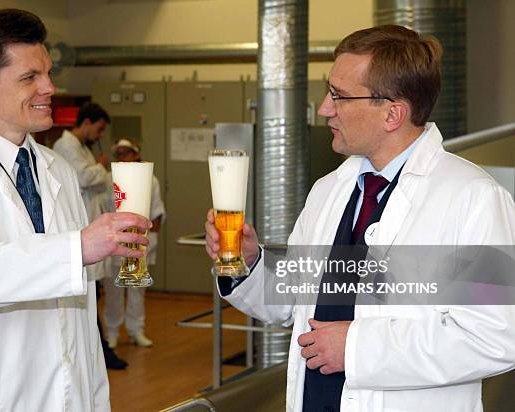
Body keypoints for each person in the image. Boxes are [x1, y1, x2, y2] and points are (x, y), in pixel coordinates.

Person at [205, 25, 515, 411]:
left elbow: (495, 337)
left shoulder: (473, 199)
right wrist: (250, 264)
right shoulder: (329, 191)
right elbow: (294, 302)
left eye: (339, 96)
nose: (324, 109)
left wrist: (356, 349)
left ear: (392, 113)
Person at [0, 9, 151, 411]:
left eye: (48, 73)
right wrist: (75, 250)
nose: (50, 87)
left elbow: (82, 315)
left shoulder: (59, 170)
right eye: (29, 77)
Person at [53, 102, 129, 370]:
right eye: (97, 130)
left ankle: (99, 352)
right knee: (87, 294)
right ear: (86, 123)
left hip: (89, 225)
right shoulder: (64, 147)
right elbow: (84, 178)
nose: (99, 136)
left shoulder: (81, 148)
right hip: (78, 231)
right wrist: (100, 167)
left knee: (92, 293)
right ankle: (100, 353)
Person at [103, 138, 166, 348]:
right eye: (118, 154)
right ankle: (112, 331)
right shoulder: (109, 178)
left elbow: (156, 211)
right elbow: (105, 211)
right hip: (116, 241)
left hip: (140, 241)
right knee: (113, 290)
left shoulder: (150, 179)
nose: (122, 157)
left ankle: (136, 330)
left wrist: (150, 239)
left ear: (136, 154)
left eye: (126, 153)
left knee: (137, 288)